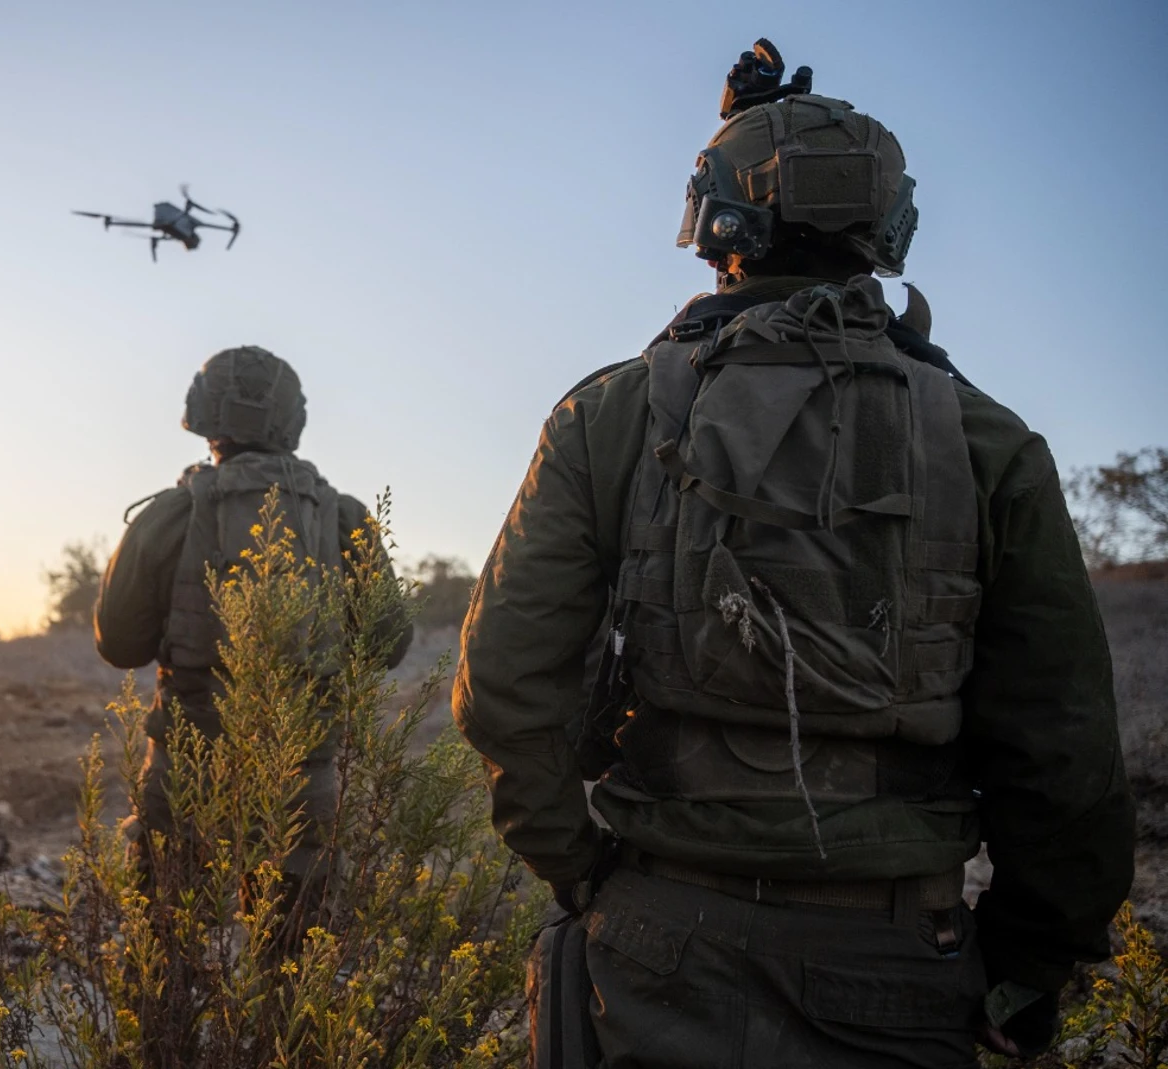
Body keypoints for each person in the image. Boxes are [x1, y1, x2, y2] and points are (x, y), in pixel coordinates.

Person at [454, 44, 1134, 1069]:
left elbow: (502, 682)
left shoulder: (610, 415)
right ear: (887, 231)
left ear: (714, 223)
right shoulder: (986, 441)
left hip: (651, 942)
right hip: (896, 959)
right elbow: (1063, 742)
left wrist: (580, 865)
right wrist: (1032, 959)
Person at [93, 345, 412, 929]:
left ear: (203, 417)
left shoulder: (169, 515)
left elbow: (120, 645)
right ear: (293, 420)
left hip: (185, 774)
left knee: (166, 956)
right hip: (301, 782)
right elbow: (389, 644)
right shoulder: (345, 519)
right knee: (293, 964)